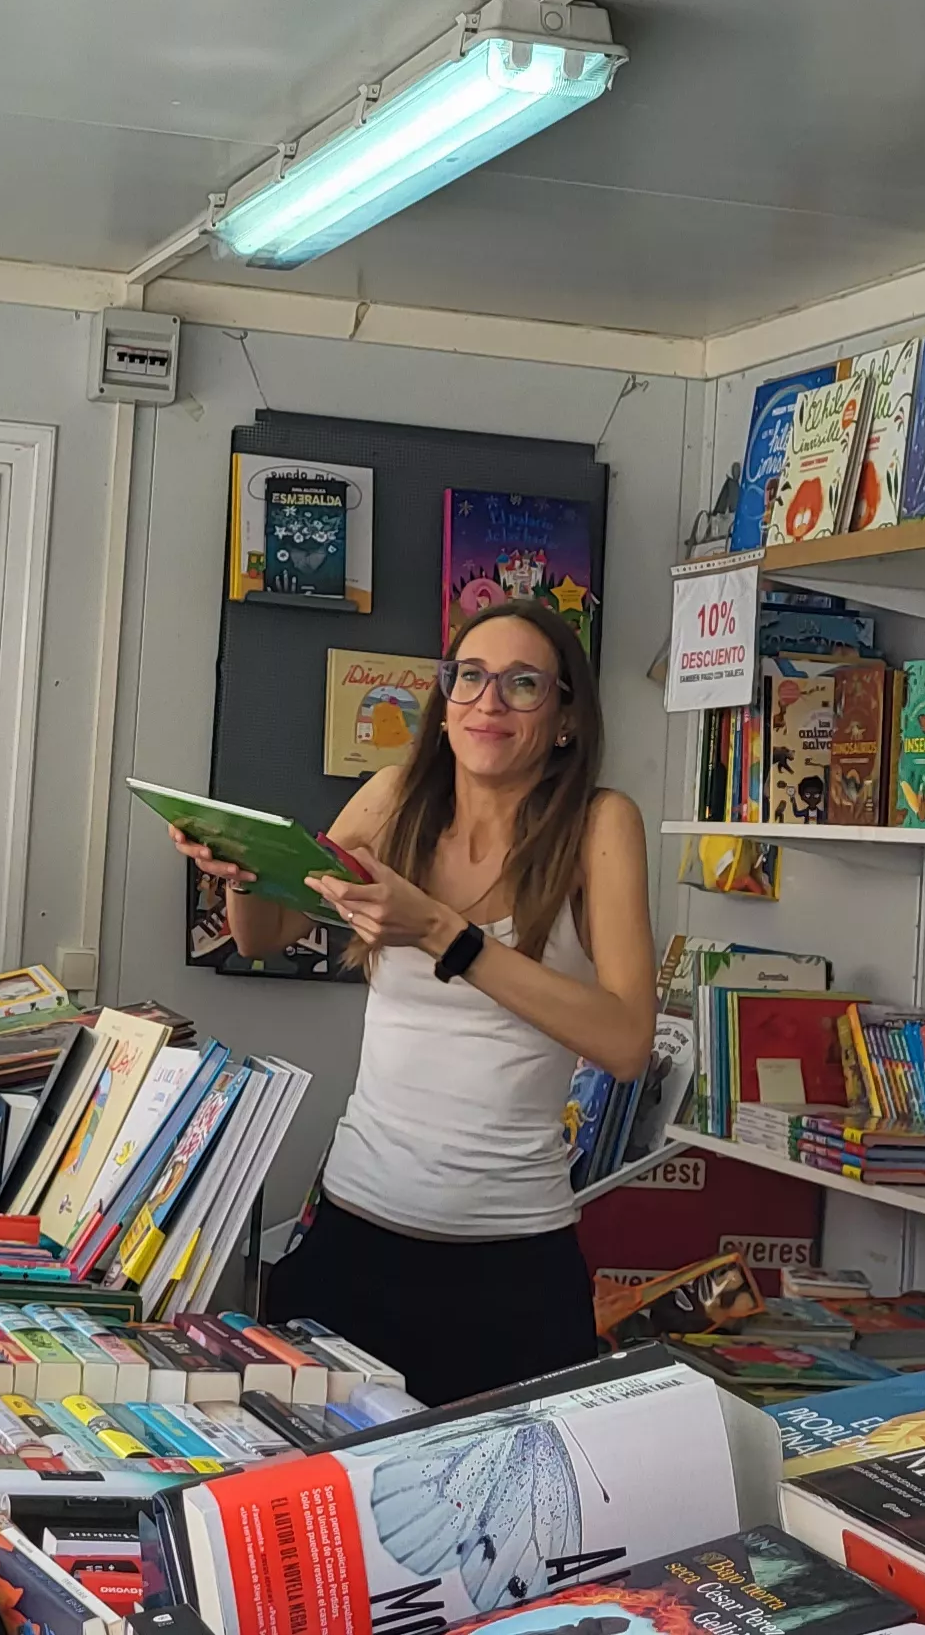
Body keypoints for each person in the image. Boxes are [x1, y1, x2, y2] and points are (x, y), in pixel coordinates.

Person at [177, 599, 655, 1404]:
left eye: (523, 683)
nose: (488, 701)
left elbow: (626, 1041)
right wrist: (242, 873)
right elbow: (264, 935)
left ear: (566, 716)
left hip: (513, 1267)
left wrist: (441, 930)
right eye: (469, 676)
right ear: (444, 697)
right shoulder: (393, 797)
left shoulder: (599, 825)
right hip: (352, 1241)